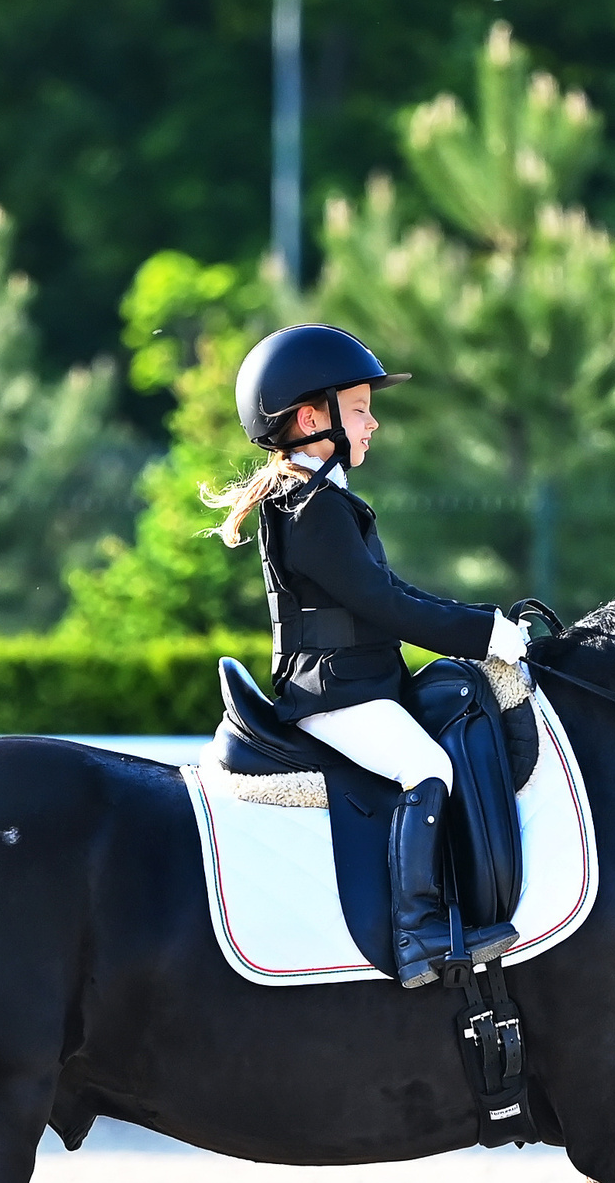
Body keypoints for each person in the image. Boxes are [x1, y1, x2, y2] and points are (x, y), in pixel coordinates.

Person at [204, 323, 530, 990]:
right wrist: (484, 636)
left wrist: (478, 624)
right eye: (359, 409)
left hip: (357, 686)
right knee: (426, 765)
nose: (373, 423)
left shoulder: (321, 500)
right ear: (310, 418)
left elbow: (391, 594)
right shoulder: (313, 509)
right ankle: (418, 932)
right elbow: (386, 604)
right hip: (334, 696)